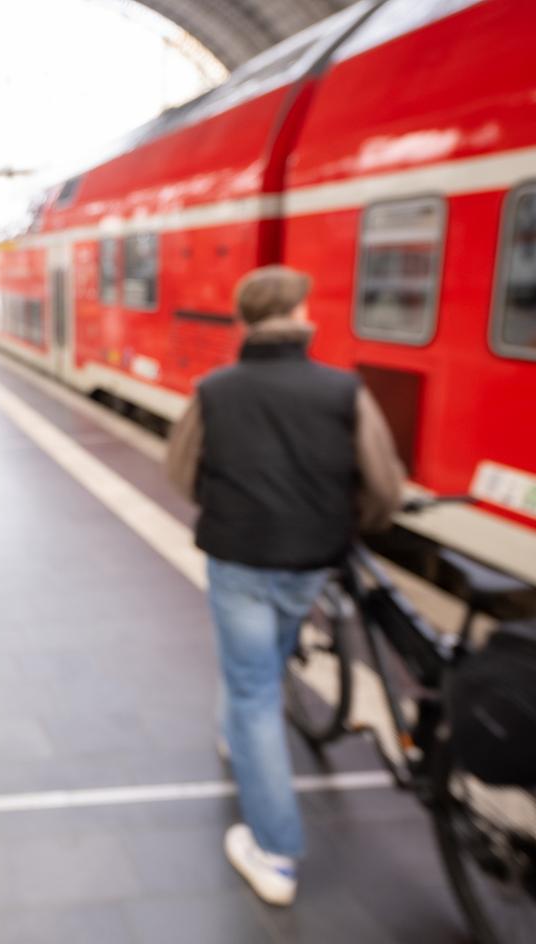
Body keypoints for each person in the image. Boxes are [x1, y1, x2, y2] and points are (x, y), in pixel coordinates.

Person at [164, 265, 406, 907]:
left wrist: (225, 503)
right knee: (262, 668)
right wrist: (356, 523)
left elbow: (181, 472)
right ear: (300, 317)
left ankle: (273, 852)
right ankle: (234, 735)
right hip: (311, 562)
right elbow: (385, 487)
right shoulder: (343, 391)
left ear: (245, 321)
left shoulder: (214, 390)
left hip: (240, 558)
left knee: (252, 690)